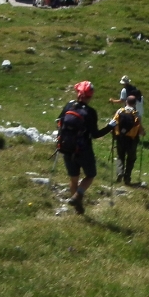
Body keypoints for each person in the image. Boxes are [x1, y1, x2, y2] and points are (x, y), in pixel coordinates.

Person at [55, 81, 114, 214]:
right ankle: (78, 195)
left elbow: (58, 122)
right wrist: (110, 127)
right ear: (90, 96)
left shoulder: (68, 106)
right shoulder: (90, 112)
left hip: (66, 148)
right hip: (83, 150)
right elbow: (95, 134)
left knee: (73, 178)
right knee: (90, 175)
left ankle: (77, 207)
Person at [111, 95, 145, 185]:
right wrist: (143, 132)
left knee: (120, 156)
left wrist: (114, 133)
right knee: (131, 158)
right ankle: (127, 178)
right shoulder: (136, 114)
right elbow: (140, 128)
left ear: (126, 102)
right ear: (134, 104)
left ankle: (119, 173)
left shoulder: (120, 111)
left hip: (120, 138)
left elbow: (113, 123)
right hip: (132, 140)